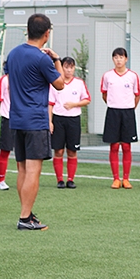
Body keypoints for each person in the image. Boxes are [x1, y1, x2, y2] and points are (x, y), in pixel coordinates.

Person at [5, 13, 64, 230]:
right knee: (32, 171)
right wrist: (56, 60)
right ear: (47, 33)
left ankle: (26, 214)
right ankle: (24, 217)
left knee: (22, 169)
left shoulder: (13, 54)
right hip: (36, 120)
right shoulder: (42, 59)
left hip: (16, 118)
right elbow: (60, 84)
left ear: (28, 30)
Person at [101, 47, 140, 189]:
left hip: (128, 113)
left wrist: (129, 108)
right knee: (114, 146)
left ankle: (126, 179)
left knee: (126, 146)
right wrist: (114, 104)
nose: (118, 60)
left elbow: (137, 95)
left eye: (121, 57)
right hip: (113, 112)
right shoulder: (107, 76)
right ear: (113, 59)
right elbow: (104, 94)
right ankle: (116, 179)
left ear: (126, 59)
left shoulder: (133, 76)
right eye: (116, 57)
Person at [48, 56, 91, 189]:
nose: (69, 70)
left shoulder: (79, 83)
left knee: (72, 151)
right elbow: (50, 103)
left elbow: (87, 99)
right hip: (58, 119)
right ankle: (60, 179)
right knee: (59, 151)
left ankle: (70, 179)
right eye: (66, 67)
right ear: (61, 68)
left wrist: (74, 104)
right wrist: (50, 121)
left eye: (71, 67)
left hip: (73, 120)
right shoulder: (55, 83)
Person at [0, 68, 14, 190]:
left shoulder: (24, 77)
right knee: (5, 150)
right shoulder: (4, 80)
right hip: (8, 118)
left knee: (24, 152)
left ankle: (24, 178)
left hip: (23, 119)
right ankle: (1, 180)